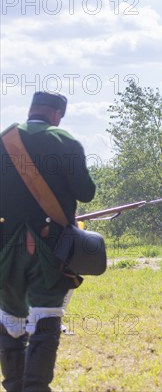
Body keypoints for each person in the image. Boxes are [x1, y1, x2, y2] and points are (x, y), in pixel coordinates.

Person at [0, 91, 96, 390]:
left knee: (9, 317)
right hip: (50, 245)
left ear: (31, 110)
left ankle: (15, 386)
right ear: (58, 115)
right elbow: (86, 192)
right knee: (46, 316)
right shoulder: (65, 142)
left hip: (5, 247)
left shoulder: (4, 138)